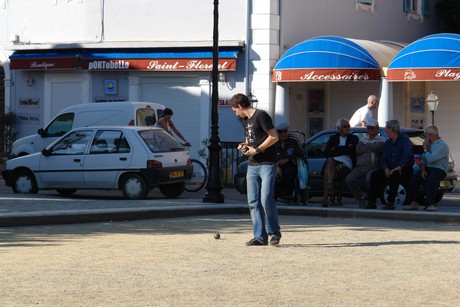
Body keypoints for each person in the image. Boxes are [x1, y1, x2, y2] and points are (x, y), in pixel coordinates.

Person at [229, 93, 282, 246]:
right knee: (253, 201)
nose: (235, 113)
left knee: (266, 198)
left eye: (234, 110)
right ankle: (259, 236)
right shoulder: (245, 121)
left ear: (240, 106)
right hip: (252, 165)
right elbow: (249, 140)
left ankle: (274, 233)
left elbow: (274, 136)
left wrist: (257, 149)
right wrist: (244, 147)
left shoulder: (261, 115)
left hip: (267, 163)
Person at [364, 119, 413, 210]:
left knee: (395, 175)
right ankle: (371, 202)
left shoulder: (404, 139)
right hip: (390, 168)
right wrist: (385, 168)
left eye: (386, 128)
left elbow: (407, 154)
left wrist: (400, 166)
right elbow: (384, 158)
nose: (385, 130)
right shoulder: (388, 143)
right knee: (375, 175)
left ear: (391, 129)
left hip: (404, 168)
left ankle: (390, 203)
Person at [404, 125, 450, 212]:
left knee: (431, 179)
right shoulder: (429, 144)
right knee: (414, 179)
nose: (425, 137)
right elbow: (424, 159)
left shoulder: (442, 145)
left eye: (425, 135)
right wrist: (422, 170)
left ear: (430, 135)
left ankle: (431, 204)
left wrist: (425, 148)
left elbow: (431, 158)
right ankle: (414, 202)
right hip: (429, 167)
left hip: (439, 169)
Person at [345, 119, 385, 208]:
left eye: (372, 128)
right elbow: (358, 149)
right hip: (360, 166)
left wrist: (368, 148)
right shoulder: (363, 139)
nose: (369, 130)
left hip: (373, 167)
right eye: (368, 128)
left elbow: (376, 148)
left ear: (377, 128)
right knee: (349, 179)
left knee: (370, 179)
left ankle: (370, 200)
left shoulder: (382, 140)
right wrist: (369, 148)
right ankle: (361, 197)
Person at [322, 118, 359, 207]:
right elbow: (326, 153)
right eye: (345, 126)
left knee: (328, 169)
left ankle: (326, 197)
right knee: (330, 161)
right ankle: (330, 185)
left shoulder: (353, 138)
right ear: (339, 129)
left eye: (348, 126)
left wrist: (336, 149)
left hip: (346, 164)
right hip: (333, 164)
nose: (348, 128)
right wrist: (344, 149)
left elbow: (351, 151)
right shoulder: (333, 138)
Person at [274, 122, 304, 202]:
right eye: (281, 132)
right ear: (277, 133)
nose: (283, 134)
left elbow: (300, 153)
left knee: (289, 172)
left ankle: (288, 194)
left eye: (285, 131)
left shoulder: (294, 140)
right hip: (276, 165)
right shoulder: (274, 142)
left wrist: (287, 159)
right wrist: (277, 165)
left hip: (291, 164)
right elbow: (270, 155)